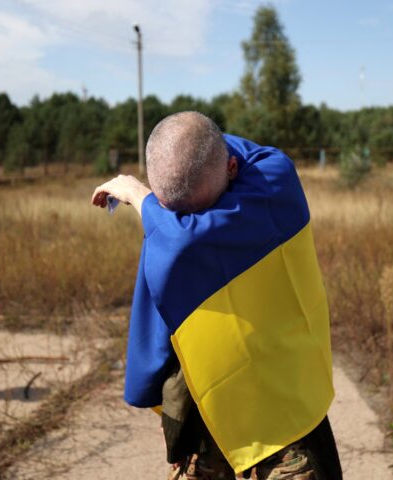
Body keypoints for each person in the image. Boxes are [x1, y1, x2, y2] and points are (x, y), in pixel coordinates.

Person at [91, 112, 342, 479]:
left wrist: (139, 196)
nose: (191, 221)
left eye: (197, 210)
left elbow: (180, 241)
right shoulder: (240, 182)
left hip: (284, 425)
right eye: (175, 213)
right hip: (213, 418)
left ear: (233, 167)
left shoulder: (276, 182)